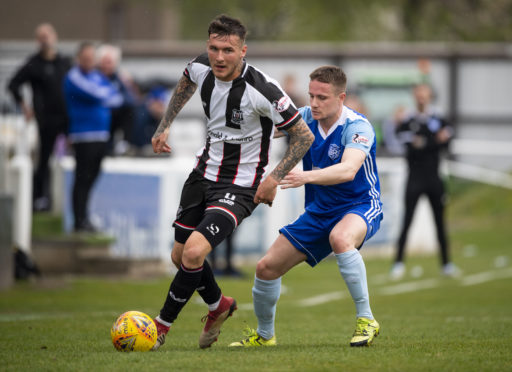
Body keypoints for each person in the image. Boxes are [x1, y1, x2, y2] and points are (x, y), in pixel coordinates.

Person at [150, 14, 314, 350]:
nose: (219, 57)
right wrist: (165, 124)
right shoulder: (200, 67)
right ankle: (218, 306)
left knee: (194, 252)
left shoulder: (263, 90)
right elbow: (185, 83)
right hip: (202, 173)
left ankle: (159, 327)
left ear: (243, 51)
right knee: (179, 256)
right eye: (214, 48)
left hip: (241, 187)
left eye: (228, 50)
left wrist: (273, 178)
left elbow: (303, 135)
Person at [230, 65, 383, 348]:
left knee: (341, 238)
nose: (313, 103)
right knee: (265, 268)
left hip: (360, 205)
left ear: (341, 98)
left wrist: (303, 176)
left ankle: (366, 319)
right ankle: (265, 336)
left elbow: (348, 170)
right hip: (319, 212)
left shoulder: (358, 127)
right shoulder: (303, 117)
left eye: (322, 97)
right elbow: (260, 133)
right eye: (311, 95)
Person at [390, 83, 458, 280]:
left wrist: (426, 142)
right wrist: (432, 141)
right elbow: (406, 142)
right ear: (414, 96)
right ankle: (398, 263)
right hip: (414, 178)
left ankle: (446, 264)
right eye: (418, 94)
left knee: (440, 222)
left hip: (434, 177)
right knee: (407, 221)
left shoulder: (438, 117)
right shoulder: (408, 119)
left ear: (429, 96)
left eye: (424, 94)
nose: (421, 97)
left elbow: (446, 140)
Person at [7, 23, 71, 211]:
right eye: (41, 37)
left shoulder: (64, 62)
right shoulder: (33, 63)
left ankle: (65, 200)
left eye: (47, 36)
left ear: (55, 37)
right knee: (44, 160)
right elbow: (13, 85)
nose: (45, 41)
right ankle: (40, 198)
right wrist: (25, 107)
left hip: (67, 118)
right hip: (46, 120)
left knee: (69, 159)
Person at [63, 42, 122, 232]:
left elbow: (116, 97)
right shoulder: (73, 77)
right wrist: (104, 96)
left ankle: (85, 218)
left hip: (101, 134)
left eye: (91, 58)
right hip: (83, 135)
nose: (89, 61)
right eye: (86, 58)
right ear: (78, 58)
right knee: (82, 179)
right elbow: (97, 94)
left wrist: (105, 96)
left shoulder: (96, 76)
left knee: (92, 178)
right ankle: (78, 221)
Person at [97, 44, 136, 155]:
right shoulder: (95, 76)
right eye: (105, 62)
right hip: (100, 114)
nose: (108, 66)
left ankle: (124, 144)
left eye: (110, 62)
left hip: (114, 114)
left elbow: (129, 99)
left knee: (130, 111)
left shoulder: (118, 78)